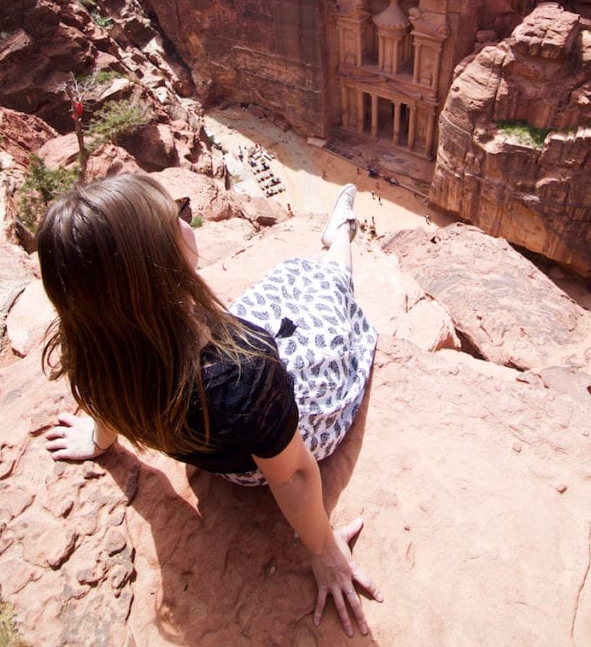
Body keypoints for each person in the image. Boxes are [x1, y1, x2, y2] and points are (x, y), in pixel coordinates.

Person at [38, 174, 382, 636]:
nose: (189, 217)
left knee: (286, 282)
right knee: (326, 288)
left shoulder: (95, 349)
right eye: (180, 213)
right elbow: (294, 474)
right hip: (262, 458)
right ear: (159, 263)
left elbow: (108, 398)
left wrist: (99, 440)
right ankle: (341, 233)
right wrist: (323, 549)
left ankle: (334, 240)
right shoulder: (245, 375)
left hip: (223, 430)